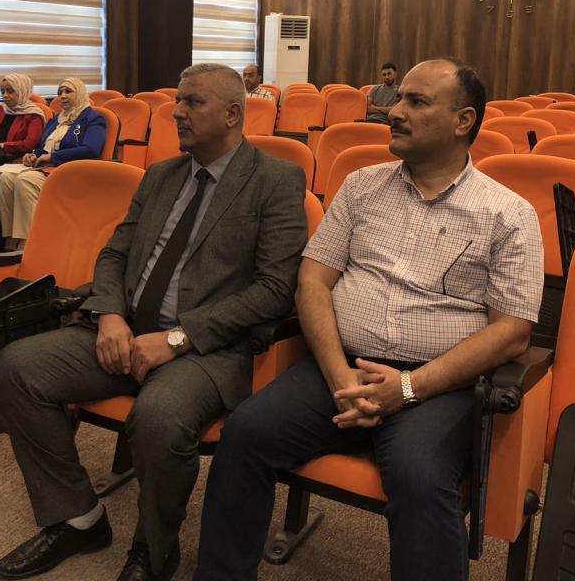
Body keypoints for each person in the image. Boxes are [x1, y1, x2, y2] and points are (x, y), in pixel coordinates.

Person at [194, 58, 545, 581]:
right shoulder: (361, 187)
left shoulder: (508, 214)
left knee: (419, 475)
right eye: (399, 99)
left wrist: (406, 388)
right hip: (340, 368)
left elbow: (513, 331)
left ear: (463, 121)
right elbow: (313, 281)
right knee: (244, 434)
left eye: (416, 102)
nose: (394, 111)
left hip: (437, 384)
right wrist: (339, 376)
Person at [0, 63, 308, 581]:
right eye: (177, 100)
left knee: (158, 418)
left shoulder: (275, 180)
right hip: (127, 327)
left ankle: (153, 550)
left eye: (193, 102)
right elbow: (115, 254)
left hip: (205, 348)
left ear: (233, 114)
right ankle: (77, 517)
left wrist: (179, 338)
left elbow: (275, 290)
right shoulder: (161, 175)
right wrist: (111, 315)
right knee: (16, 368)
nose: (176, 111)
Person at [0, 77, 105, 247]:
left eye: (68, 91)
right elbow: (42, 147)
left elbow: (91, 150)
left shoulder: (93, 119)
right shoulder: (56, 119)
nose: (62, 96)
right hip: (48, 168)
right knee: (6, 178)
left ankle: (30, 243)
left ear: (80, 93)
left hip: (71, 171)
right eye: (60, 92)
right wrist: (33, 156)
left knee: (25, 180)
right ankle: (11, 239)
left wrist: (54, 157)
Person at [0, 73, 46, 167]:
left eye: (10, 91)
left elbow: (29, 145)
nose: (5, 95)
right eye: (2, 91)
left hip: (17, 157)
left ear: (22, 91)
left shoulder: (34, 115)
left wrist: (2, 145)